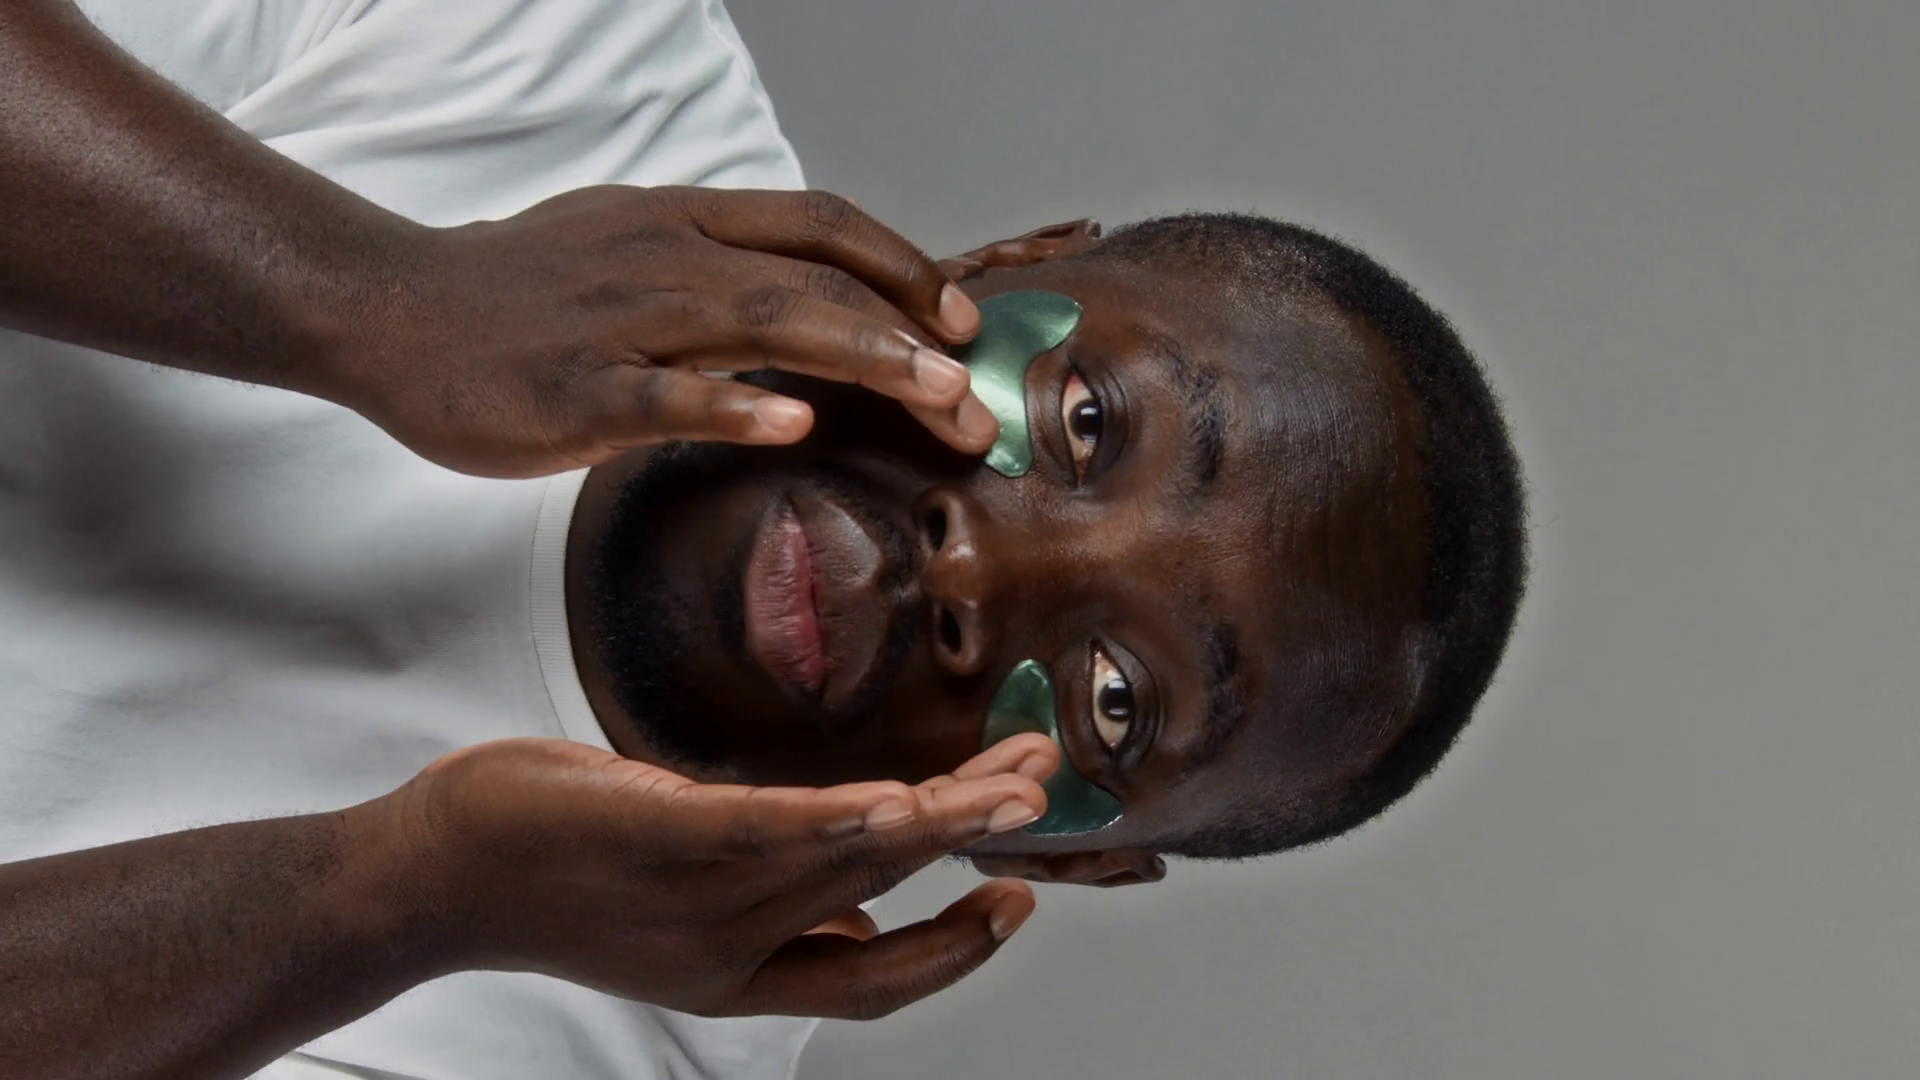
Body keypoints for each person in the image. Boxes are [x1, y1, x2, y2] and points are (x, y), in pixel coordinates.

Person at [0, 2, 1525, 1079]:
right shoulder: (558, 45)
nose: (978, 573)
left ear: (1062, 856)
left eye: (1117, 699)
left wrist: (400, 901)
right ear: (997, 264)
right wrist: (366, 293)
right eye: (1084, 422)